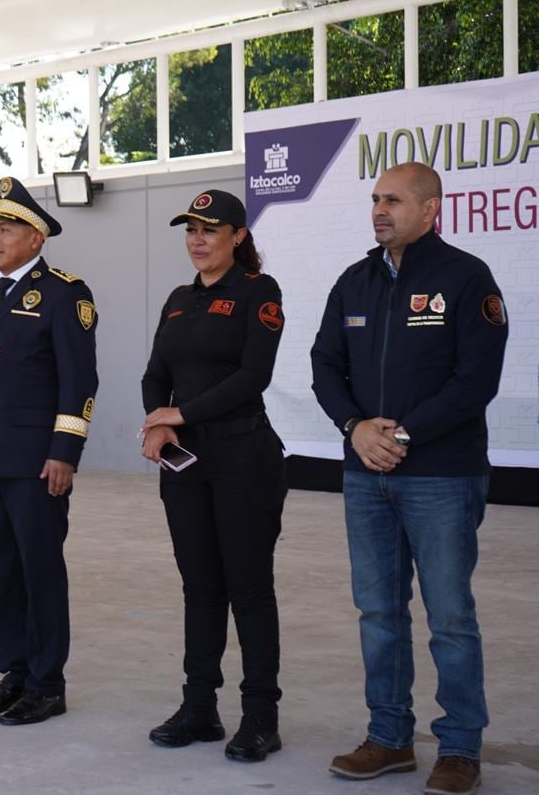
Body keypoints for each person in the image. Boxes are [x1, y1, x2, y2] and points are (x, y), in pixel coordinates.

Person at [311, 162, 508, 795]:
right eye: (374, 199)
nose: (379, 210)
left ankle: (458, 748)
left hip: (442, 477)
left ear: (430, 210)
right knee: (378, 612)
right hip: (365, 474)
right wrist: (355, 427)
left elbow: (475, 381)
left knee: (449, 615)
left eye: (393, 200)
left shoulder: (466, 277)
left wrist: (401, 434)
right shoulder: (354, 281)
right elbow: (324, 366)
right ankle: (390, 739)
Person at [0, 177, 98, 726]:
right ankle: (16, 672)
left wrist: (65, 453)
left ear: (36, 238)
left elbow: (79, 382)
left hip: (35, 463)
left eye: (6, 228)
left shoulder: (64, 293)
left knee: (39, 570)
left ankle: (47, 683)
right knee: (0, 569)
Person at [139, 189, 288, 762]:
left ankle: (260, 718)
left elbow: (254, 375)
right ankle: (199, 707)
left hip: (244, 458)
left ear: (238, 237)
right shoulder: (179, 298)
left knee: (248, 589)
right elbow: (157, 373)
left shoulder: (259, 292)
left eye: (209, 230)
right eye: (190, 231)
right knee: (200, 588)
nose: (198, 240)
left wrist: (183, 412)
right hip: (185, 463)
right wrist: (159, 424)